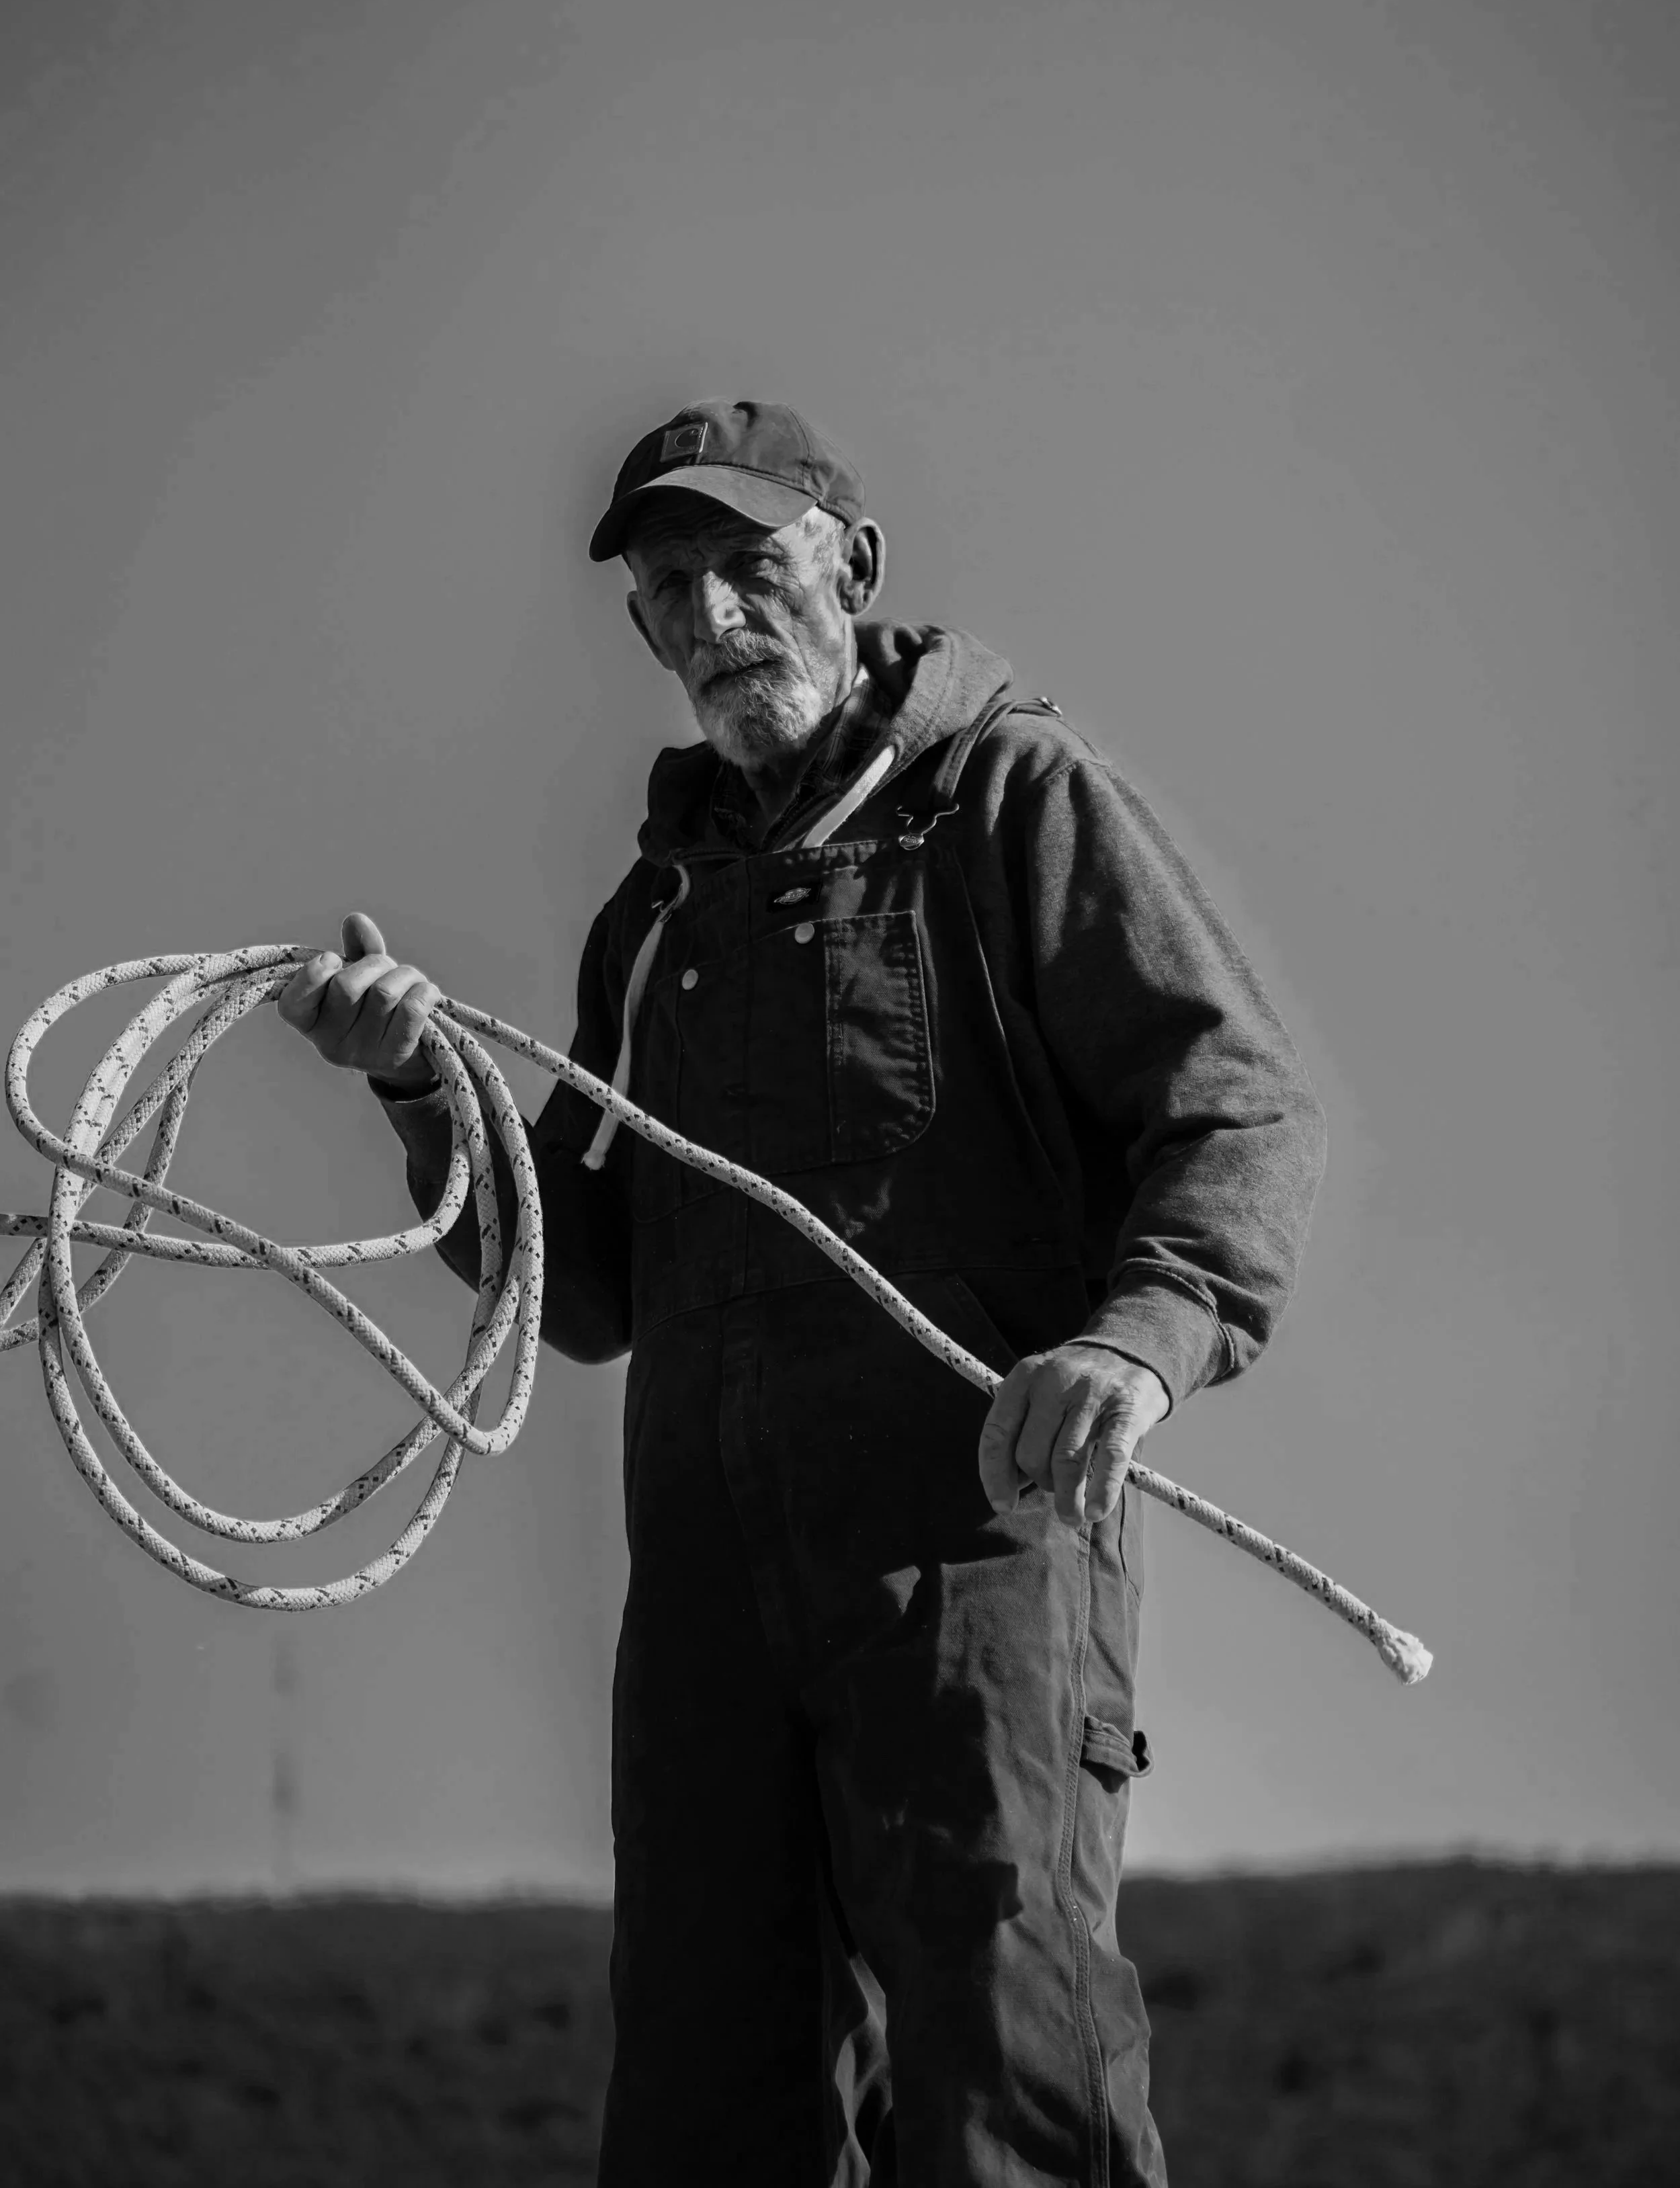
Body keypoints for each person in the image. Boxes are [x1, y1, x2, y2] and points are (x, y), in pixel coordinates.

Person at [278, 397, 1327, 2187]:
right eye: (669, 587)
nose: (710, 615)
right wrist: (416, 1084)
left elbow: (1234, 1107)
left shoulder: (1014, 806)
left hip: (971, 1567)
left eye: (749, 566)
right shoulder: (654, 920)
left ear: (854, 568)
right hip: (706, 1595)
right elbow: (582, 1285)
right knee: (703, 2104)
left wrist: (1132, 1346)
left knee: (1012, 2074)